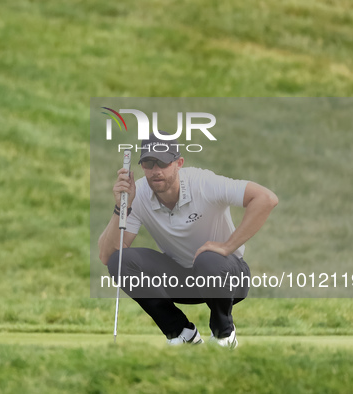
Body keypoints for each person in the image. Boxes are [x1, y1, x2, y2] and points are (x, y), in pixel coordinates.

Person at [98, 132, 278, 348]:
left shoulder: (203, 182)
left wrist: (228, 246)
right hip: (182, 281)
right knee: (120, 260)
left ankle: (224, 334)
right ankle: (182, 333)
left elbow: (266, 198)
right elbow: (108, 255)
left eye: (163, 163)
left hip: (227, 278)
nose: (156, 171)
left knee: (208, 259)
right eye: (148, 163)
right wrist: (122, 206)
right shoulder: (138, 194)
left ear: (179, 163)